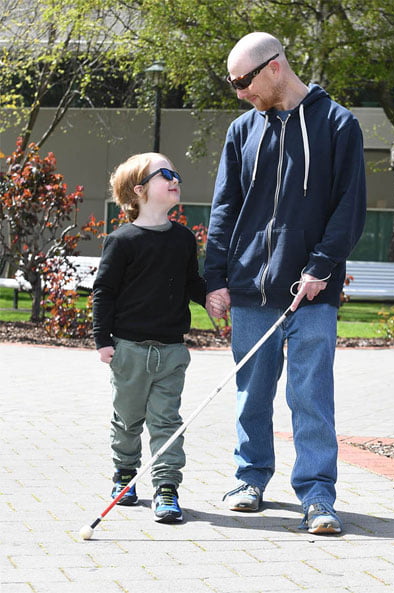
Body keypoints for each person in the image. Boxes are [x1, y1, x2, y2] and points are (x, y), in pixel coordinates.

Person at [204, 32, 366, 535]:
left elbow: (350, 209)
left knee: (310, 398)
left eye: (242, 81)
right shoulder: (241, 131)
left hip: (312, 295)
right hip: (252, 289)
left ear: (273, 67)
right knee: (251, 395)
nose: (238, 93)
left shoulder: (339, 124)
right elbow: (224, 208)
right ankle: (249, 478)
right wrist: (215, 280)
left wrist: (319, 268)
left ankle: (317, 495)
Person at [93, 152, 219, 523]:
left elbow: (191, 283)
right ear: (140, 190)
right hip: (129, 349)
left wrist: (211, 297)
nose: (174, 178)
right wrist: (103, 340)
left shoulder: (182, 239)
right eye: (165, 174)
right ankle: (125, 476)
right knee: (128, 420)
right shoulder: (122, 240)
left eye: (175, 173)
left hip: (171, 350)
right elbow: (104, 292)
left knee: (167, 421)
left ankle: (166, 487)